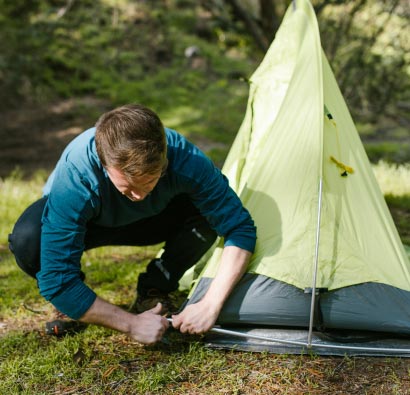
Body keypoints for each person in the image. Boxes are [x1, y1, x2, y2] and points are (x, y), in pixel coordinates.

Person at [8, 104, 257, 345]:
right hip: (89, 223)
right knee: (29, 240)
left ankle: (155, 289)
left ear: (164, 157)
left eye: (148, 181)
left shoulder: (186, 159)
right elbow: (56, 280)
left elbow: (238, 226)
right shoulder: (78, 174)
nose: (138, 196)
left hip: (154, 218)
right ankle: (76, 301)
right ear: (104, 163)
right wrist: (131, 324)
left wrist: (210, 303)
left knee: (207, 213)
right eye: (127, 186)